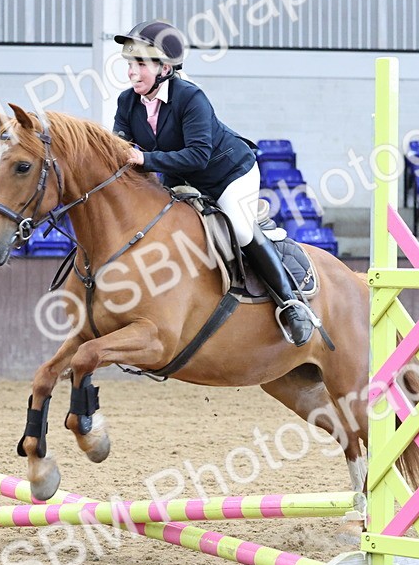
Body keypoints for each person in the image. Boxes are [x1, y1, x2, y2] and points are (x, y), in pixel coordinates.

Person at [112, 20, 314, 346]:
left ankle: (292, 305)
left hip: (229, 174)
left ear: (165, 67)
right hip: (181, 178)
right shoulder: (127, 102)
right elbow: (119, 148)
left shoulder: (191, 98)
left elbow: (197, 156)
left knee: (240, 227)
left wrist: (145, 160)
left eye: (139, 64)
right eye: (129, 64)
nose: (131, 72)